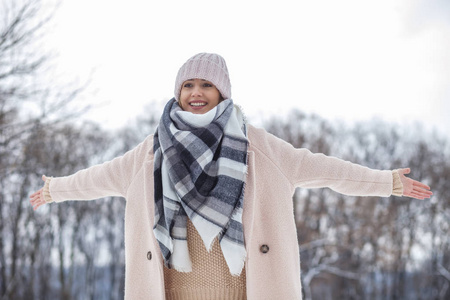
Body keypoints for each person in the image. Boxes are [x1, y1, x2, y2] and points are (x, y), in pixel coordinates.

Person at [29, 53, 432, 300]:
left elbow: (324, 168)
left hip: (246, 291)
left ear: (223, 92)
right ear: (178, 91)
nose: (196, 92)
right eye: (188, 84)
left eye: (207, 84)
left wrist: (387, 181)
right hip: (170, 292)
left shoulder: (259, 147)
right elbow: (98, 177)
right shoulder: (151, 151)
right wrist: (55, 190)